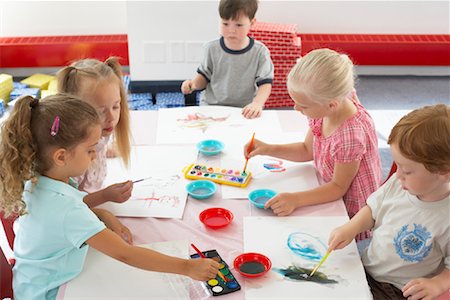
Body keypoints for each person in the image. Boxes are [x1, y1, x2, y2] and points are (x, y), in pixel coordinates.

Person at [0, 95, 220, 300]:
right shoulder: (65, 208)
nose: (96, 155)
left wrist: (102, 213)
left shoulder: (40, 177)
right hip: (47, 292)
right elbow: (125, 254)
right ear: (61, 156)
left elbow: (61, 214)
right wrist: (187, 267)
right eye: (90, 150)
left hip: (32, 280)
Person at [245, 48, 382, 240]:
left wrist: (296, 199)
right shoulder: (329, 107)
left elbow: (337, 187)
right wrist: (268, 148)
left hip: (347, 204)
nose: (295, 108)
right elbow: (307, 150)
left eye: (303, 105)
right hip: (327, 184)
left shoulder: (350, 138)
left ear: (331, 104)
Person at [328, 104, 450, 300]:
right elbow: (373, 210)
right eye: (397, 165)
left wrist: (437, 284)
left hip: (401, 291)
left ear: (444, 172)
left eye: (407, 170)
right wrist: (351, 228)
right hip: (367, 268)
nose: (397, 174)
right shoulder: (399, 183)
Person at [57, 57, 133, 207]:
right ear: (74, 110)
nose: (111, 118)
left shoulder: (101, 129)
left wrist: (103, 149)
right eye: (100, 112)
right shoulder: (69, 155)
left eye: (116, 106)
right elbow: (65, 205)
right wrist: (105, 196)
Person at [181, 0, 274, 119]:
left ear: (252, 23)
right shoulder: (211, 48)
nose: (231, 30)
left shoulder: (260, 52)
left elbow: (265, 84)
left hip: (244, 109)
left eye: (238, 25)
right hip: (212, 106)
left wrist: (257, 103)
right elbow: (204, 76)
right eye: (225, 24)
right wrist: (192, 84)